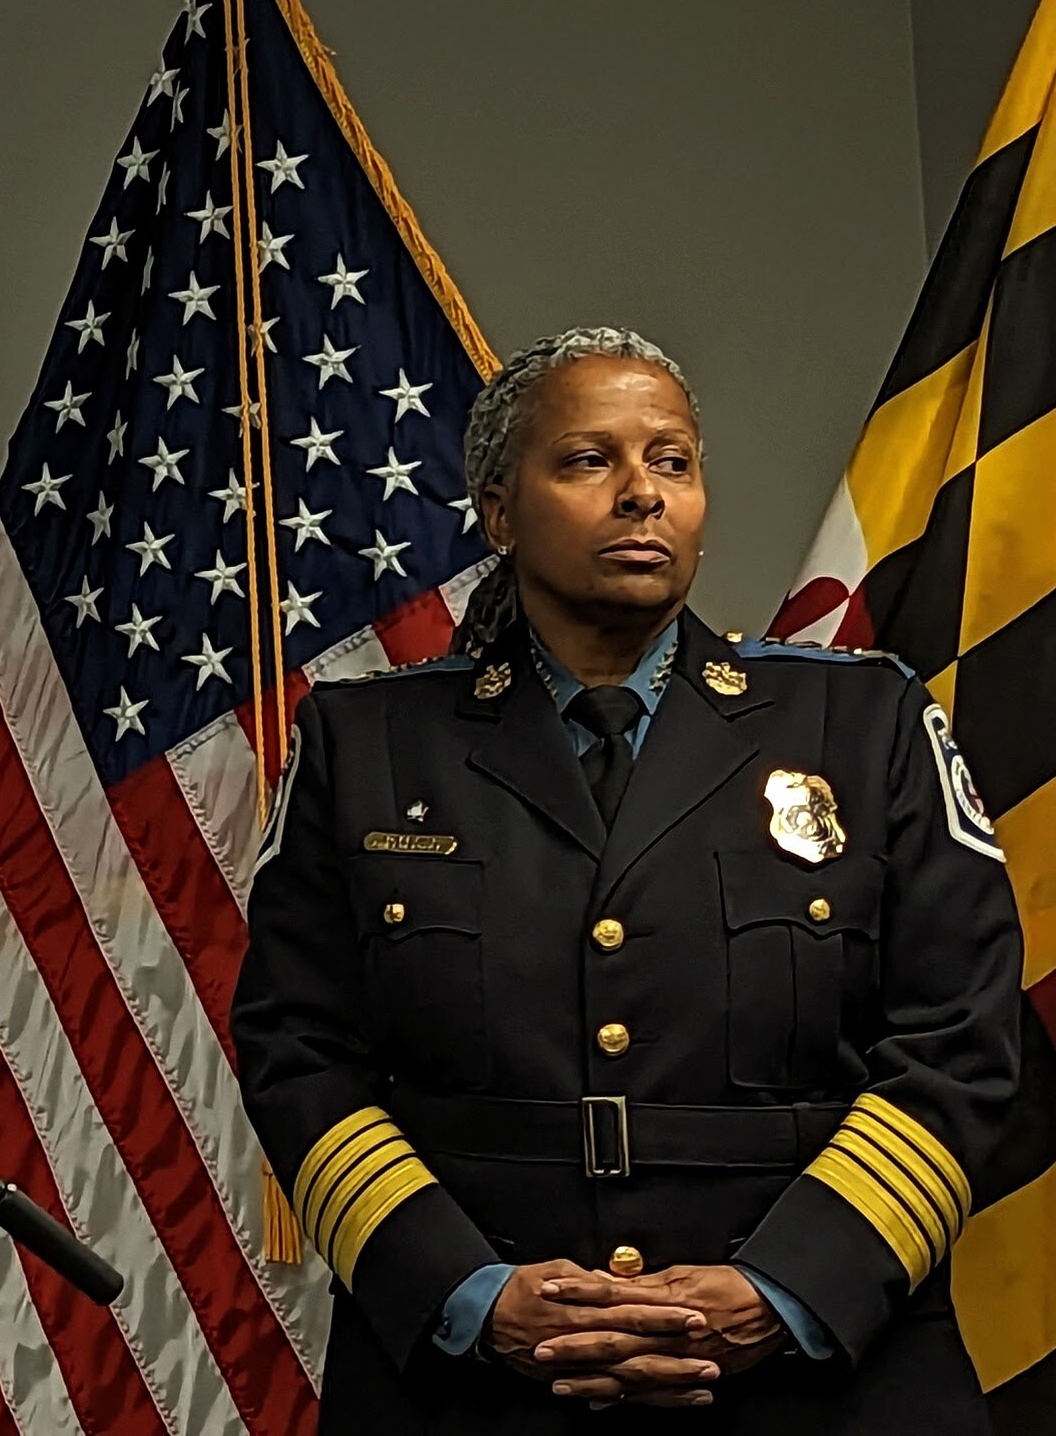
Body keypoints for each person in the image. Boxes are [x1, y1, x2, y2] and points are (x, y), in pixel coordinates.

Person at [236, 327, 1022, 1429]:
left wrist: (781, 1287)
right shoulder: (364, 745)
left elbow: (959, 1039)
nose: (640, 493)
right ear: (498, 511)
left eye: (670, 460)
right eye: (588, 459)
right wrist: (473, 1296)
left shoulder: (864, 720)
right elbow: (296, 1052)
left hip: (822, 1381)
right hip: (477, 1383)